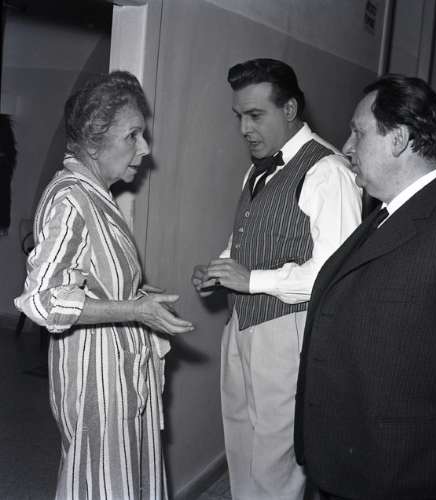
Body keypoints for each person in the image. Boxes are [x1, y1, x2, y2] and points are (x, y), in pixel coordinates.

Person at [294, 74, 436, 500]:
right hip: (348, 461)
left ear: (399, 139)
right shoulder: (384, 213)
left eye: (358, 132)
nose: (346, 146)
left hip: (403, 475)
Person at [15, 70, 194, 500]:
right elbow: (42, 300)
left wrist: (139, 297)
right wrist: (133, 310)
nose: (145, 148)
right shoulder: (71, 198)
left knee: (118, 482)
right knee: (98, 485)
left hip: (116, 374)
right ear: (94, 140)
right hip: (96, 380)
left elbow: (93, 282)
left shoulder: (96, 195)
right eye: (133, 135)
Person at [192, 58, 361, 500]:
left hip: (290, 330)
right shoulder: (259, 167)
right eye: (239, 116)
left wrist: (251, 281)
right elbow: (246, 237)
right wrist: (220, 270)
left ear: (289, 110)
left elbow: (333, 272)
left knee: (276, 457)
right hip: (241, 323)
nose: (244, 128)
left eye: (255, 115)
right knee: (241, 441)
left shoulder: (329, 171)